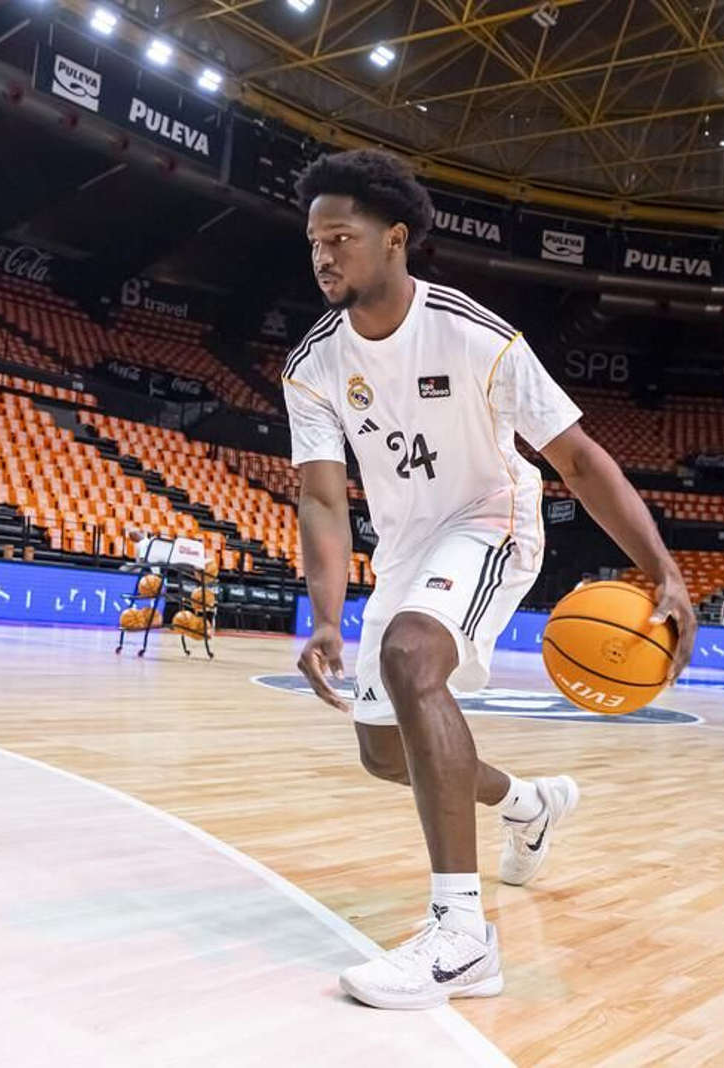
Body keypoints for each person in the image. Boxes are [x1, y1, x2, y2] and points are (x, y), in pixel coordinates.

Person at [285, 149, 695, 1011]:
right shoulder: (313, 365)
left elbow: (579, 459)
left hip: (489, 522)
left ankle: (462, 936)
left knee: (410, 655)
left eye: (340, 239)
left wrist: (662, 569)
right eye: (314, 241)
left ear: (394, 239)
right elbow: (323, 498)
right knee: (383, 750)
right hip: (403, 548)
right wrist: (325, 614)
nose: (323, 256)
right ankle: (528, 804)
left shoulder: (475, 334)